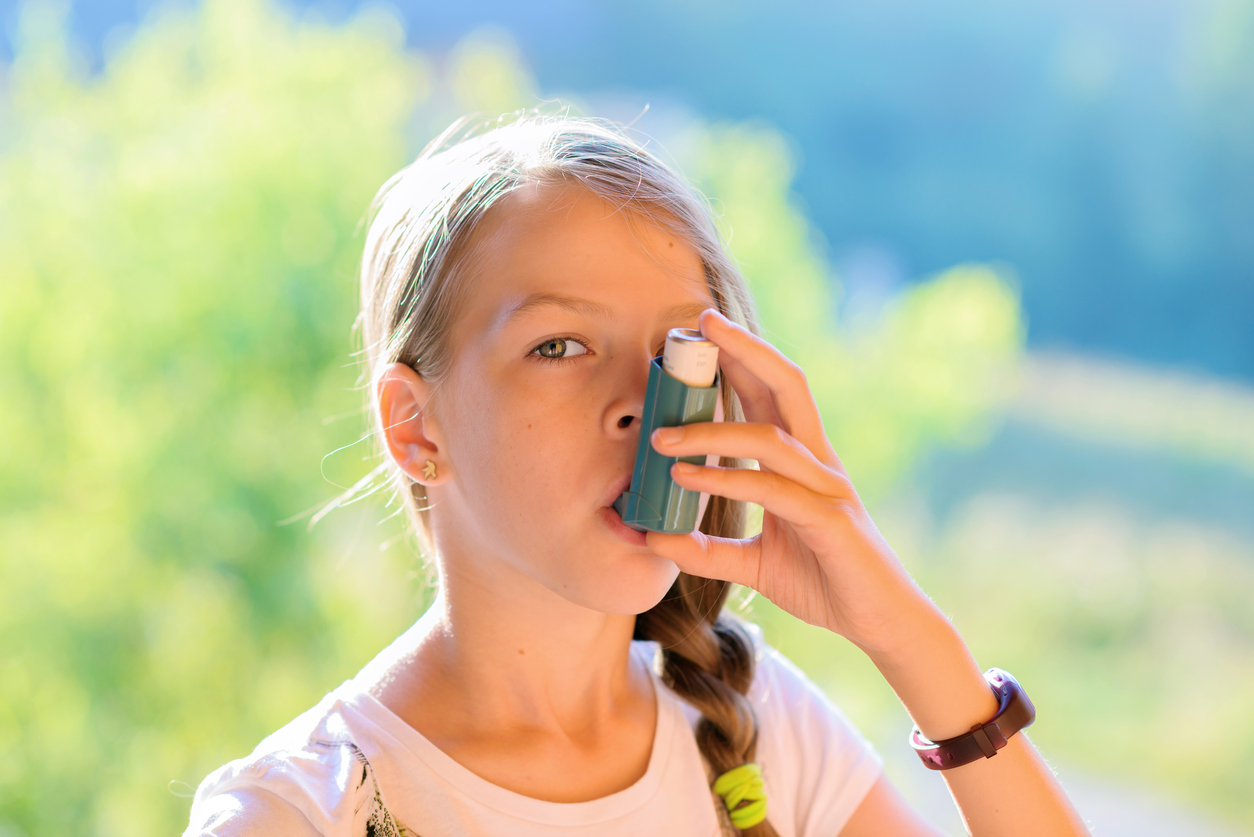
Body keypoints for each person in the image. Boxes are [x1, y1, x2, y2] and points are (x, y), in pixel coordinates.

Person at [183, 114, 1090, 836]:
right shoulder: (297, 814)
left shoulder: (762, 727)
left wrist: (904, 634)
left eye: (679, 351)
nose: (641, 401)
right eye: (561, 344)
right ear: (415, 427)